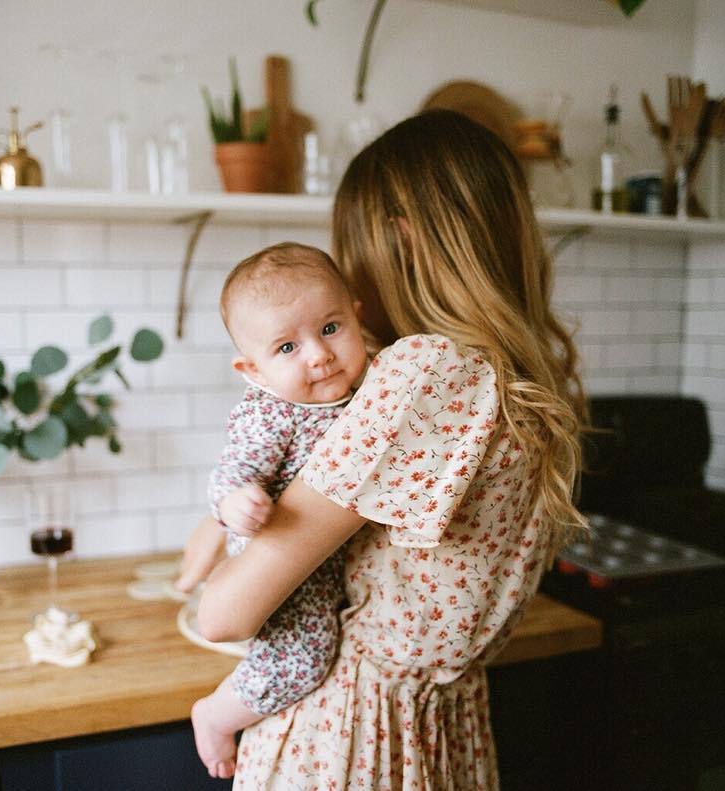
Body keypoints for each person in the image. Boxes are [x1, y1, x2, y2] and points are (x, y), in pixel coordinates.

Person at [189, 109, 587, 789]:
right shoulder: (527, 377)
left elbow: (224, 613)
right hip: (444, 724)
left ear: (398, 239)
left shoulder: (424, 373)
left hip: (349, 734)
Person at [190, 242, 371, 779]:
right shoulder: (271, 412)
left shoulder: (368, 383)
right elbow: (230, 469)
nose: (317, 354)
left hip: (323, 555)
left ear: (356, 317)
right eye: (287, 347)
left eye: (331, 329)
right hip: (282, 560)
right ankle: (217, 715)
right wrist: (235, 499)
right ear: (255, 369)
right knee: (303, 661)